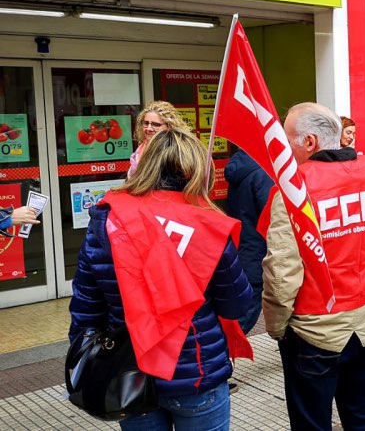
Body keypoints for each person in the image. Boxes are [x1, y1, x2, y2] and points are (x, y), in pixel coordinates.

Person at [70, 129, 252, 430]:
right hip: (196, 375)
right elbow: (236, 306)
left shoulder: (106, 218)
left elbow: (86, 310)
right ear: (195, 169)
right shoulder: (208, 225)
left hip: (129, 375)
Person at [262, 103, 365, 431]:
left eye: (287, 139)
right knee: (363, 418)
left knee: (312, 424)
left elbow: (281, 272)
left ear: (309, 142)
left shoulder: (294, 191)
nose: (281, 148)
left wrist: (277, 328)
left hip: (313, 331)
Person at [223, 149, 275, 334]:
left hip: (242, 243)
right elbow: (271, 217)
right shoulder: (263, 172)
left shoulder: (242, 166)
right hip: (258, 250)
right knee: (247, 311)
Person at [128, 101, 190, 178]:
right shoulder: (142, 146)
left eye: (155, 124)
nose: (149, 128)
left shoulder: (176, 151)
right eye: (146, 123)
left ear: (170, 126)